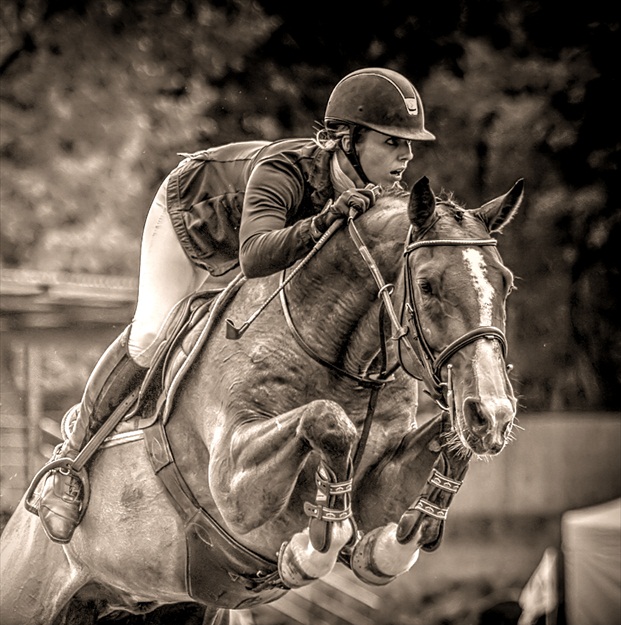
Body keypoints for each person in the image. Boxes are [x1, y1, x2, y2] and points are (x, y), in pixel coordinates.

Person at [37, 67, 436, 544]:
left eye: (408, 144)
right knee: (151, 335)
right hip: (193, 225)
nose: (407, 154)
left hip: (258, 247)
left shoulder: (381, 197)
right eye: (392, 142)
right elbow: (254, 257)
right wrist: (320, 222)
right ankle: (70, 458)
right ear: (347, 139)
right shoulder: (284, 169)